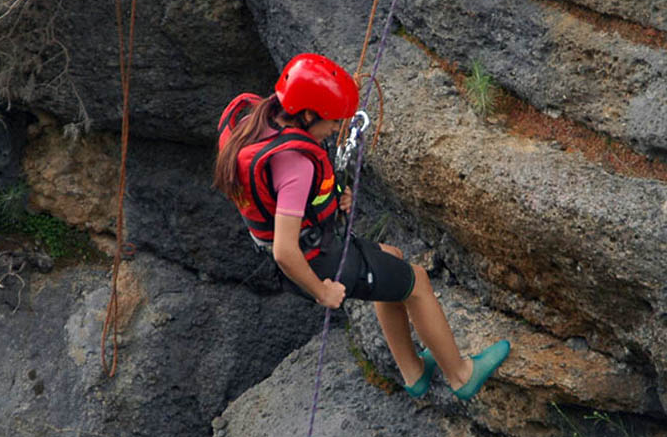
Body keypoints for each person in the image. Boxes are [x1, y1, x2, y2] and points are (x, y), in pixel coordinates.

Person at [213, 52, 509, 400]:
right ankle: (461, 375)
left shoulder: (258, 122)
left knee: (392, 257)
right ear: (307, 114)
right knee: (418, 282)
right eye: (333, 122)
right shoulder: (295, 164)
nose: (335, 130)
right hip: (317, 263)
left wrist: (330, 198)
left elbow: (281, 203)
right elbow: (284, 251)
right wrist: (322, 292)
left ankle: (414, 373)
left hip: (313, 247)